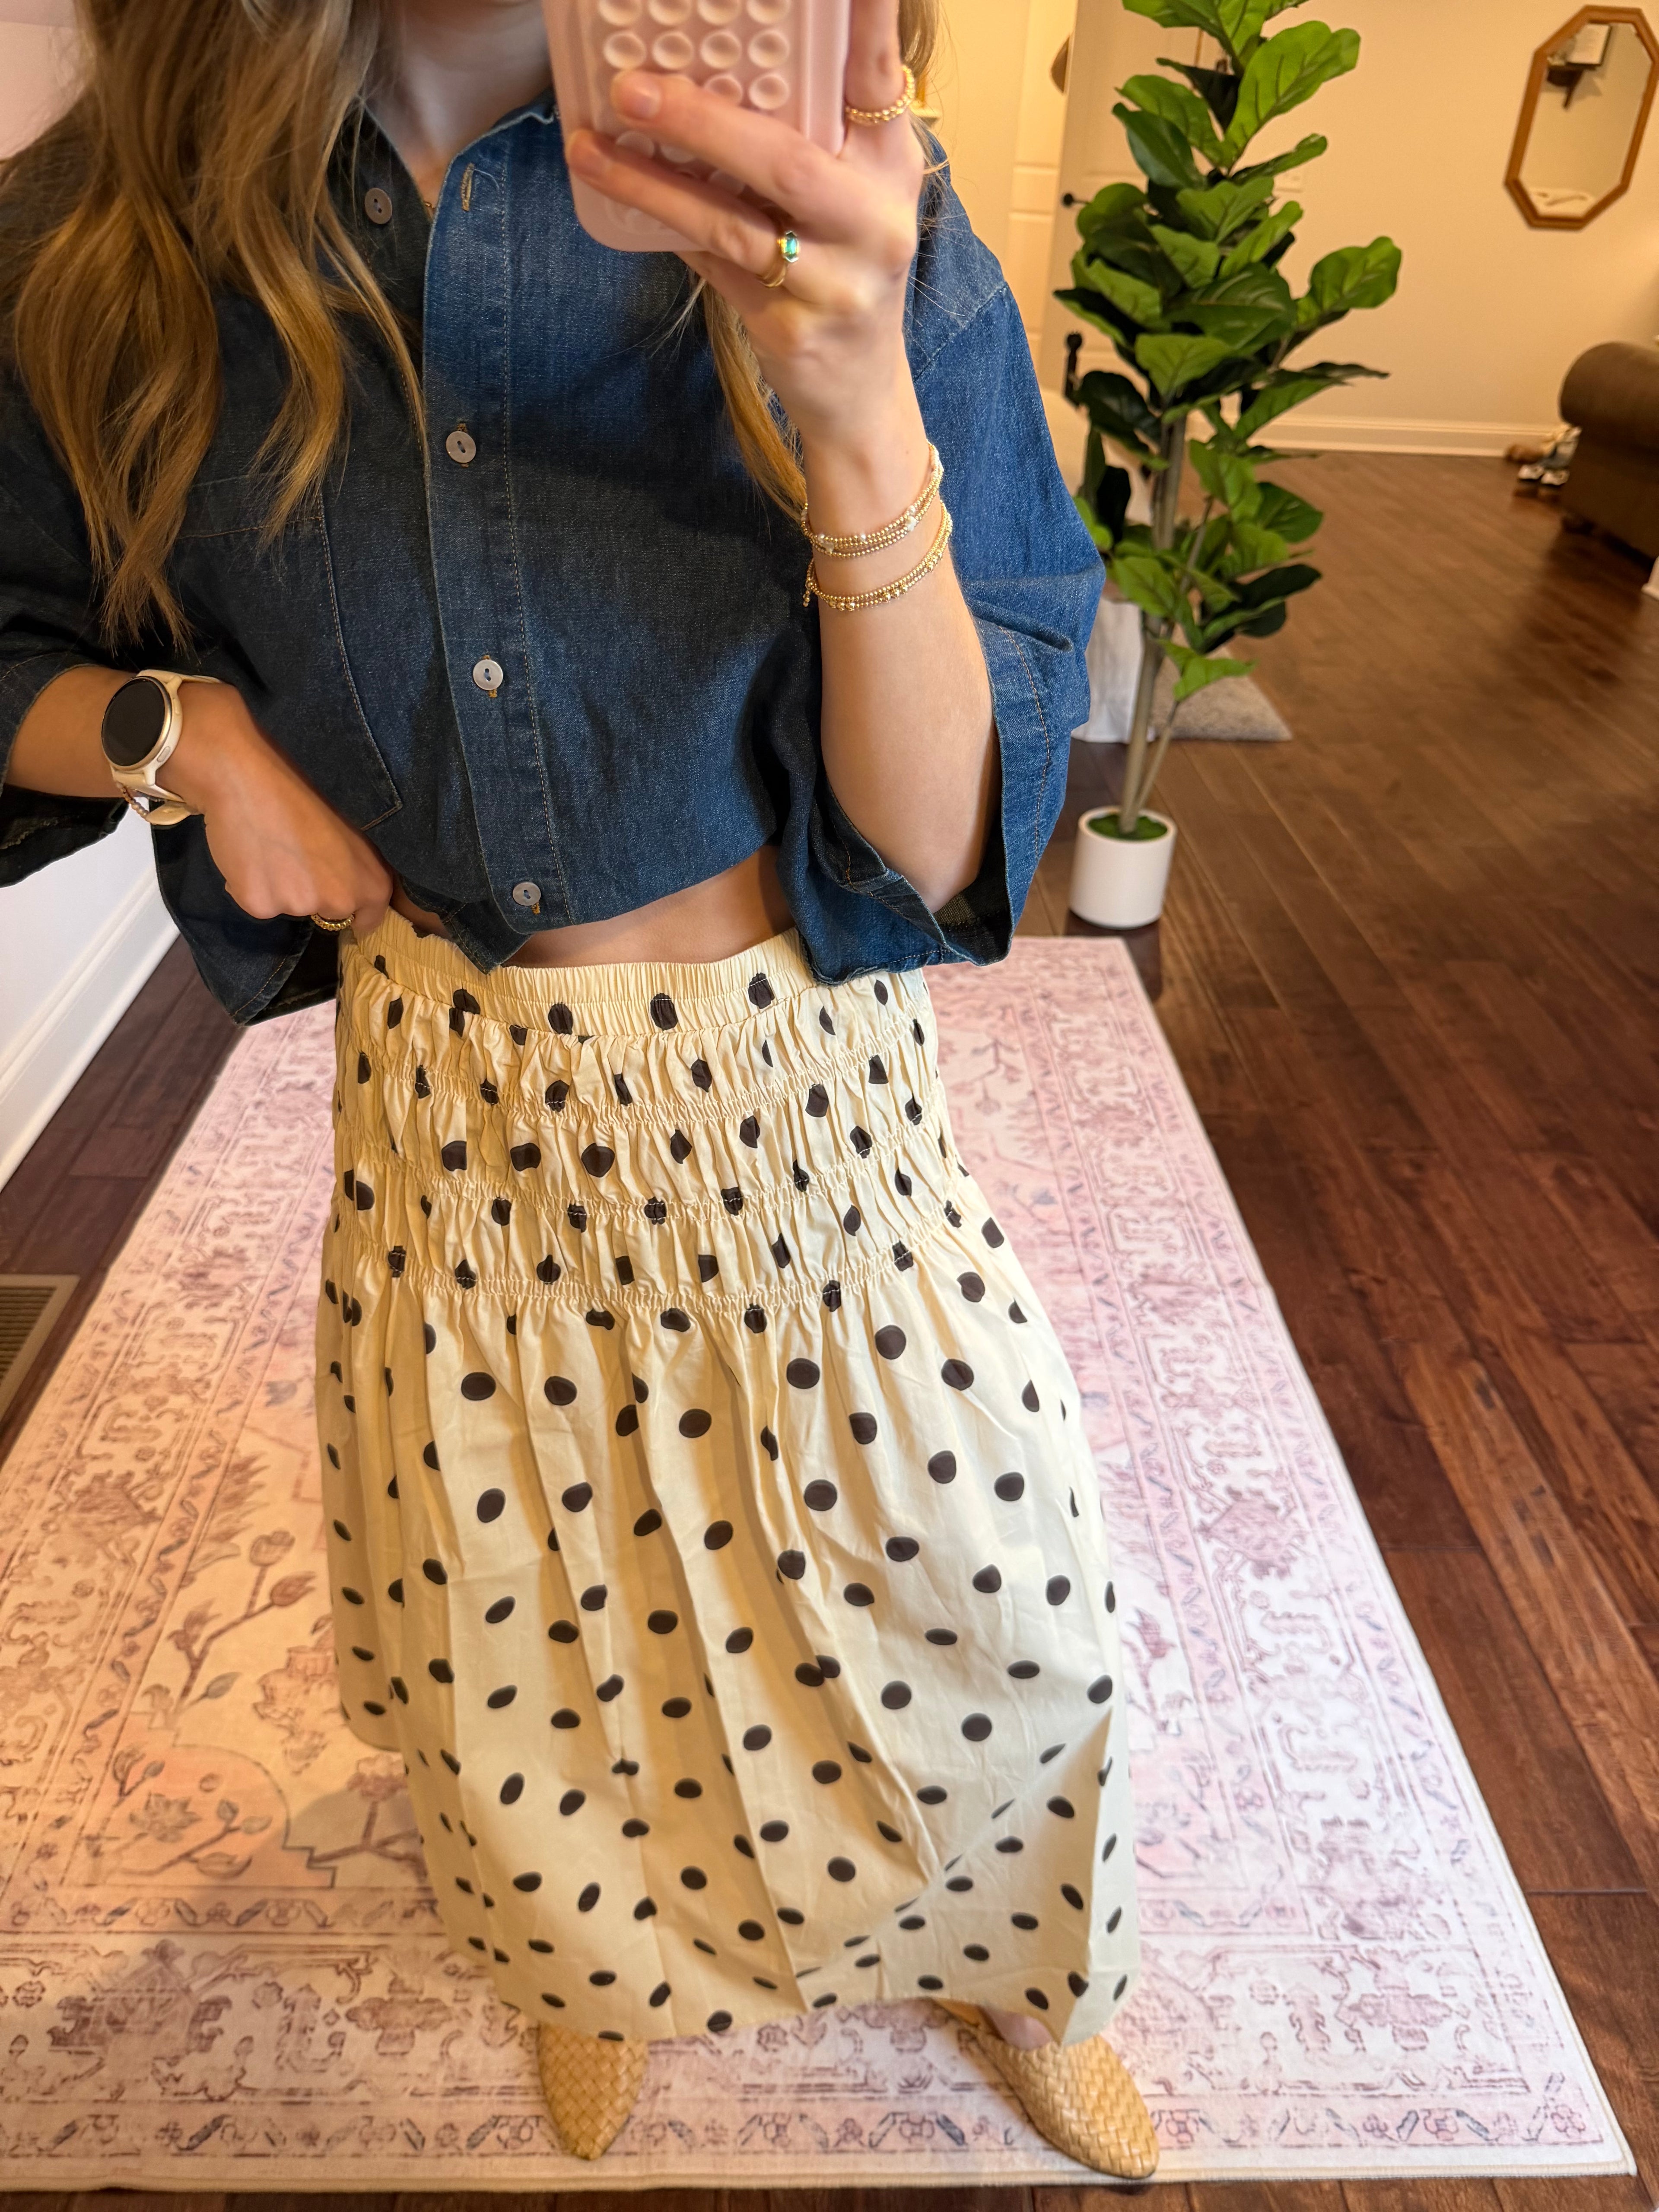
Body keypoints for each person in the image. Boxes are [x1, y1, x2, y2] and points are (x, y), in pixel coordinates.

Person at [0, 0, 1154, 2176]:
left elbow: (931, 848)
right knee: (521, 1643)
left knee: (997, 1624)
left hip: (806, 1104)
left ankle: (1023, 1955)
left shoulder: (823, 182)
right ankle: (602, 1959)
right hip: (455, 1122)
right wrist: (189, 737)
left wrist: (853, 402)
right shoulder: (109, 240)